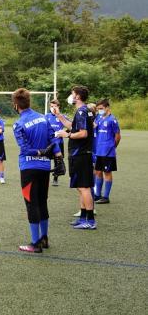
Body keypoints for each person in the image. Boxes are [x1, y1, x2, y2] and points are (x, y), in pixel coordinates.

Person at [12, 89, 61, 253]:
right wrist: (59, 158)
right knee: (42, 202)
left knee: (31, 204)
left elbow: (25, 149)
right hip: (45, 168)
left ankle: (35, 243)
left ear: (15, 105)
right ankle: (44, 238)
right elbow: (53, 139)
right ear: (29, 102)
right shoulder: (43, 118)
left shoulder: (18, 124)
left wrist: (39, 152)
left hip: (29, 168)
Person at [53, 86, 96, 230]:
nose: (70, 96)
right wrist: (59, 115)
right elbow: (73, 126)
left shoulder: (83, 111)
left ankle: (90, 221)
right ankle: (83, 217)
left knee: (84, 187)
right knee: (80, 186)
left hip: (82, 154)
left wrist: (67, 135)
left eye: (72, 94)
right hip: (79, 154)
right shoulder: (82, 111)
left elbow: (83, 133)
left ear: (77, 96)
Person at [92, 99, 121, 204]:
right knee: (98, 172)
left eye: (101, 108)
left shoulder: (112, 120)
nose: (99, 110)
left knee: (107, 173)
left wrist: (112, 147)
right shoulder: (99, 117)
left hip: (108, 151)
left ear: (107, 107)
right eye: (98, 109)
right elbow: (93, 127)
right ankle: (97, 194)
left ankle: (106, 197)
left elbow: (118, 136)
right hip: (98, 150)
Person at [45, 99, 69, 186]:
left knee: (57, 161)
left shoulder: (62, 117)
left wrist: (64, 133)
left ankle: (55, 178)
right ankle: (45, 178)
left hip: (58, 142)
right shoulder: (46, 116)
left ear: (58, 107)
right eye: (51, 106)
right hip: (48, 143)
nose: (53, 108)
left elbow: (70, 126)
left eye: (55, 106)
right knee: (46, 159)